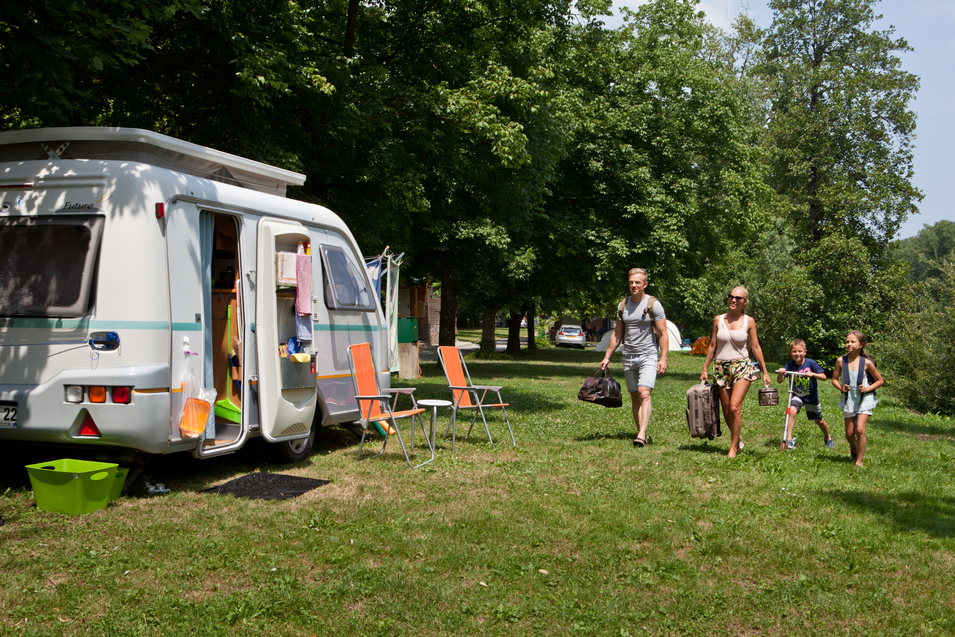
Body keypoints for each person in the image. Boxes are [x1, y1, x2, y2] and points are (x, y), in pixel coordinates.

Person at [599, 268, 669, 447]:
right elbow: (617, 333)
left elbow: (662, 333)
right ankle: (642, 434)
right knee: (634, 396)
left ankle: (641, 435)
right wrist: (607, 356)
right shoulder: (623, 305)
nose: (634, 285)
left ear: (645, 284)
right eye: (631, 282)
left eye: (637, 282)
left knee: (644, 393)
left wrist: (663, 358)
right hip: (628, 355)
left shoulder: (654, 304)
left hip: (648, 355)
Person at [700, 287, 771, 458]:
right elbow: (712, 346)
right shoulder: (718, 320)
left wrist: (765, 371)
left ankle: (733, 448)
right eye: (731, 297)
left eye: (738, 298)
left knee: (734, 407)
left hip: (742, 367)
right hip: (721, 367)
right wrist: (704, 369)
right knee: (726, 409)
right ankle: (737, 439)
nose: (733, 300)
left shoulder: (749, 321)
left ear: (745, 302)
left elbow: (755, 347)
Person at [830, 330, 884, 467]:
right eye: (847, 341)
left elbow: (880, 381)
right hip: (849, 398)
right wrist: (841, 388)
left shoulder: (866, 363)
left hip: (865, 398)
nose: (849, 344)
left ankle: (859, 461)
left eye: (852, 342)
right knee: (849, 434)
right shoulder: (840, 361)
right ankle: (854, 450)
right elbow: (834, 380)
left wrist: (867, 389)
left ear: (861, 344)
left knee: (859, 430)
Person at [775, 339, 833, 450]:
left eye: (799, 351)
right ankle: (789, 439)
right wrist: (781, 373)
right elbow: (780, 380)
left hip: (811, 397)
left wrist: (813, 374)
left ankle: (828, 437)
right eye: (794, 351)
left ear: (805, 352)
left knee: (818, 421)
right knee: (791, 411)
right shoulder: (789, 365)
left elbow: (824, 377)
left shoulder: (810, 363)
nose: (797, 354)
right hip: (797, 395)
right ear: (790, 352)